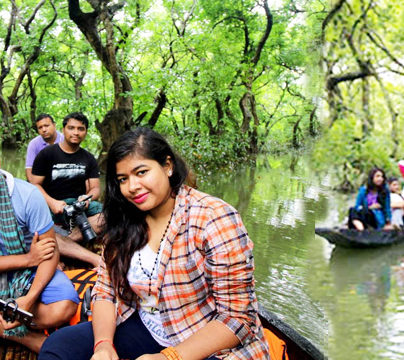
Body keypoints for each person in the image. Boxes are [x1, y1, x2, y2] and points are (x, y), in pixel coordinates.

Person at [39, 127, 269, 360]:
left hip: (204, 337)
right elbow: (105, 292)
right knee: (57, 347)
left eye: (141, 172)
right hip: (147, 328)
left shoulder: (214, 218)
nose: (132, 187)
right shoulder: (124, 218)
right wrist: (103, 345)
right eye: (123, 179)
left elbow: (238, 318)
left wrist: (169, 357)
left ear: (167, 166)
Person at [0, 130, 78, 353]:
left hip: (25, 276)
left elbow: (50, 253)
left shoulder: (27, 195)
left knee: (64, 308)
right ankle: (26, 338)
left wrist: (29, 299)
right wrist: (28, 258)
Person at [29, 112, 102, 268]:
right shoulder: (46, 154)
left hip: (78, 207)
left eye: (81, 129)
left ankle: (67, 241)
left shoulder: (88, 158)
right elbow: (34, 185)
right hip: (52, 208)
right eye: (71, 128)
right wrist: (52, 203)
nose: (76, 133)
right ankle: (77, 248)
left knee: (109, 216)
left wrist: (87, 198)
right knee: (34, 228)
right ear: (63, 129)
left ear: (86, 132)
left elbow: (96, 188)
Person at [25, 114, 63, 181]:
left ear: (54, 125)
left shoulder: (65, 140)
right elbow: (29, 169)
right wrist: (34, 187)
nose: (44, 130)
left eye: (46, 126)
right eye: (40, 127)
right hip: (42, 180)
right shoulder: (34, 144)